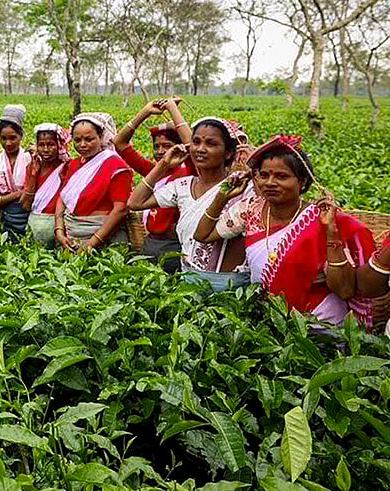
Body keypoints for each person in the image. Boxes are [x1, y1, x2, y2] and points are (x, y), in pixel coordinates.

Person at [194, 136, 374, 325]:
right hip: (270, 318)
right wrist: (222, 197)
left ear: (302, 182)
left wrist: (330, 232)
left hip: (319, 322)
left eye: (281, 176)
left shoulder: (320, 219)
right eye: (264, 175)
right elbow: (203, 235)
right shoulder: (250, 209)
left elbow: (345, 290)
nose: (270, 183)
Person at [127, 117, 248, 290]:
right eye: (196, 142)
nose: (200, 149)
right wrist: (164, 164)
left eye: (211, 144)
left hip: (229, 285)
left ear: (228, 152)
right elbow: (135, 202)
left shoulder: (239, 186)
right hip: (189, 279)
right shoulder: (183, 186)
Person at [113, 98, 192, 272]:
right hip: (151, 244)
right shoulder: (154, 171)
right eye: (157, 146)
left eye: (167, 146)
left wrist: (172, 110)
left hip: (175, 246)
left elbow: (191, 146)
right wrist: (146, 111)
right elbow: (119, 143)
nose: (161, 152)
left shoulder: (190, 174)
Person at [53, 113, 132, 252]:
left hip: (105, 238)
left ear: (101, 137)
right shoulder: (73, 164)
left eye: (89, 139)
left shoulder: (116, 165)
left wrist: (92, 243)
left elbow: (120, 209)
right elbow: (63, 197)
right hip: (72, 237)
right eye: (77, 140)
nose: (83, 145)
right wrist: (59, 230)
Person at [0, 105, 33, 236]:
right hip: (2, 219)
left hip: (27, 217)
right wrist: (16, 195)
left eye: (12, 138)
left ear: (21, 136)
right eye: (3, 138)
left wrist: (3, 198)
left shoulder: (31, 159)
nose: (8, 143)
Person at [20, 123, 71, 246]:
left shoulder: (67, 168)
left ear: (59, 146)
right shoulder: (32, 168)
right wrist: (33, 175)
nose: (46, 149)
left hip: (58, 227)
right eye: (41, 145)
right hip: (35, 225)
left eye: (51, 144)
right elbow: (26, 205)